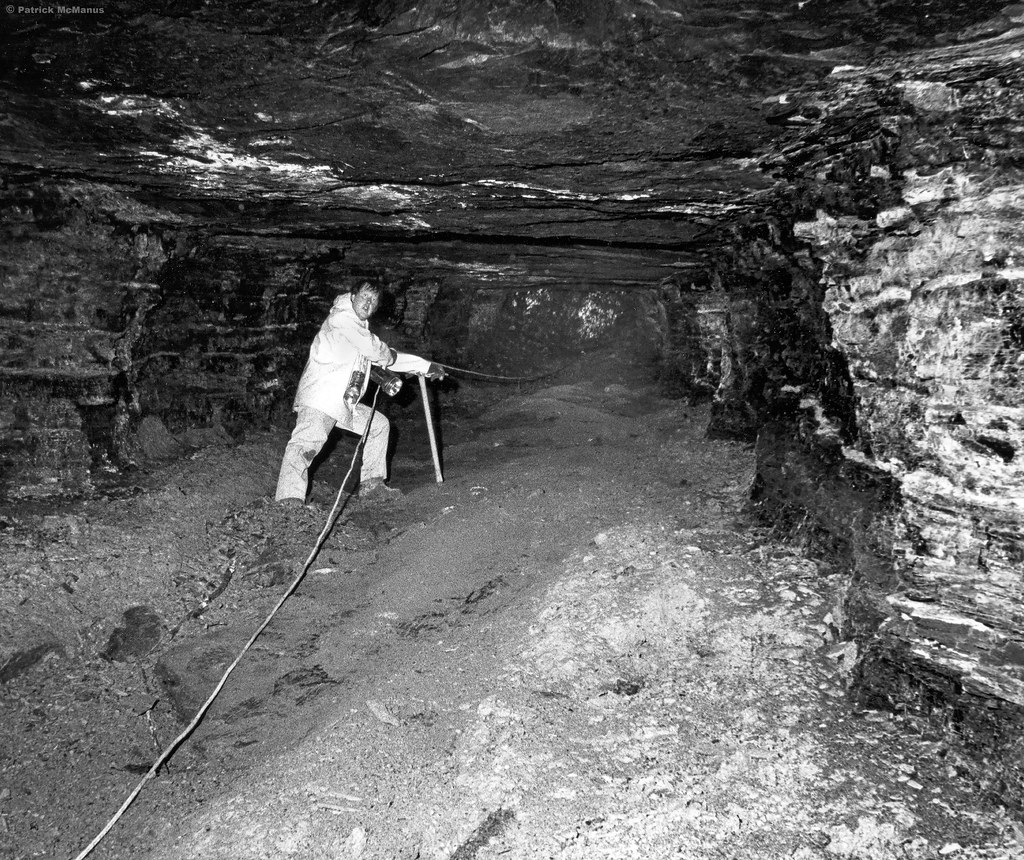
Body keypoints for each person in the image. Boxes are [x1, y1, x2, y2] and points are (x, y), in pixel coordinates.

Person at [274, 281, 445, 505]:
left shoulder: (359, 328)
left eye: (373, 301)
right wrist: (394, 359)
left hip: (344, 403)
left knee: (378, 425)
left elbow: (382, 355)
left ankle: (372, 487)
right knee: (306, 444)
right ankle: (288, 501)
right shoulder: (341, 319)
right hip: (321, 398)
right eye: (364, 297)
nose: (368, 303)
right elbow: (378, 352)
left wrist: (425, 366)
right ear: (353, 296)